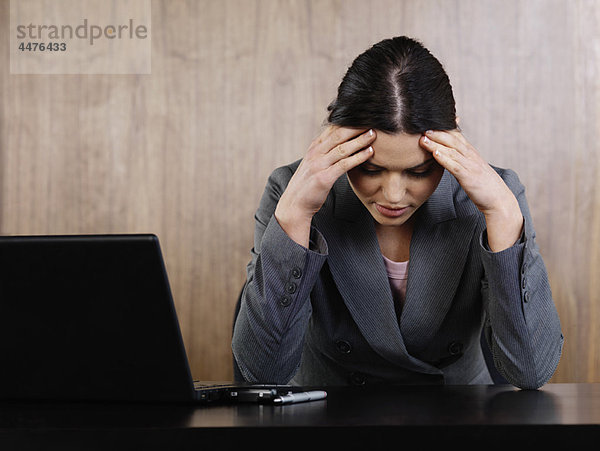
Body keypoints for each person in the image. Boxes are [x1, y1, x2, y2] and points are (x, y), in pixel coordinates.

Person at [232, 36, 563, 389]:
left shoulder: (496, 197)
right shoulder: (290, 191)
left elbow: (531, 371)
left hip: (459, 416)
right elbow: (262, 372)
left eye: (419, 172)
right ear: (335, 137)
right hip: (328, 415)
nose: (393, 195)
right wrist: (296, 215)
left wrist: (501, 214)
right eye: (371, 170)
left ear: (451, 138)